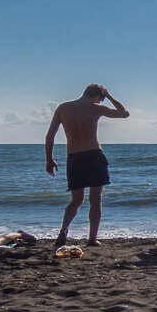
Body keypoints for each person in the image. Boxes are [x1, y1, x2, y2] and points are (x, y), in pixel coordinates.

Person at [45, 84, 129, 248]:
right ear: (98, 98)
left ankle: (63, 230)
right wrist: (110, 97)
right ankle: (92, 239)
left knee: (76, 201)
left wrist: (49, 159)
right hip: (93, 155)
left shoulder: (63, 108)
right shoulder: (95, 108)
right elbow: (124, 114)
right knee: (95, 201)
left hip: (74, 157)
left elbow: (50, 135)